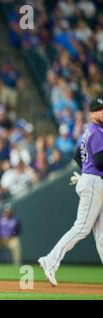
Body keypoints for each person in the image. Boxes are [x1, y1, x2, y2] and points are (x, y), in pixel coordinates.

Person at [38, 98, 103, 287]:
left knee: (101, 234)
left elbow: (77, 156)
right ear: (92, 114)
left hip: (92, 180)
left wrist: (85, 172)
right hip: (95, 182)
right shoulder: (97, 130)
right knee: (82, 227)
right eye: (98, 110)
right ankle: (50, 261)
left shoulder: (88, 132)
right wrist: (88, 174)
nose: (102, 112)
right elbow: (100, 161)